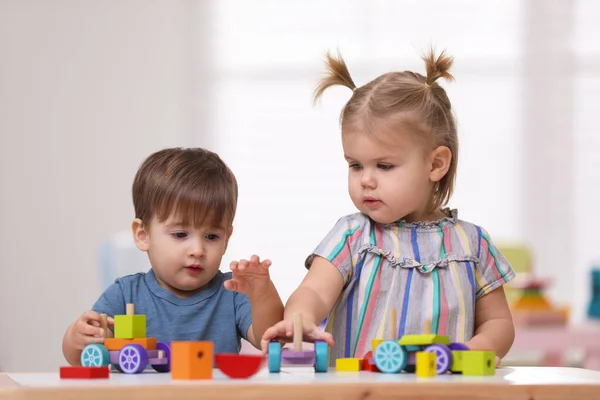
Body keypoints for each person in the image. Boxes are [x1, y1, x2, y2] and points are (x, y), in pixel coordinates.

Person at [261, 49, 515, 366]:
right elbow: (314, 291)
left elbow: (498, 323)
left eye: (383, 165)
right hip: (360, 393)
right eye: (355, 165)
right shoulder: (353, 236)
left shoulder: (471, 244)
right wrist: (300, 318)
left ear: (436, 164)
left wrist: (478, 348)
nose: (366, 180)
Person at [62, 147, 284, 366]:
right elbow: (80, 358)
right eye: (180, 234)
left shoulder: (231, 293)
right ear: (142, 235)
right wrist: (78, 337)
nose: (197, 249)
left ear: (227, 238)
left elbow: (270, 337)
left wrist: (262, 292)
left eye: (211, 236)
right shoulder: (125, 294)